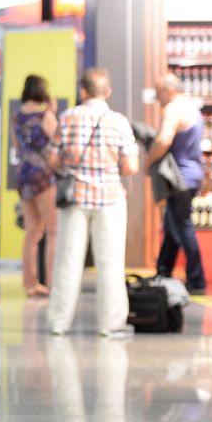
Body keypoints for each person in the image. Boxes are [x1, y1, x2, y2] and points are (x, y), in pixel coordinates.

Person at [46, 69, 140, 337]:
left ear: (82, 92)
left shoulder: (68, 118)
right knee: (110, 262)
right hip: (110, 198)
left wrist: (70, 166)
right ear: (107, 92)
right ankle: (110, 324)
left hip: (75, 196)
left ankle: (59, 322)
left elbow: (52, 159)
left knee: (68, 260)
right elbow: (131, 166)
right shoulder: (119, 122)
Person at [148, 73, 207, 295]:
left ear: (169, 90)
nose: (157, 97)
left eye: (158, 92)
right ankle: (163, 269)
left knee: (181, 225)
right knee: (172, 223)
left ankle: (197, 278)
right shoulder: (191, 107)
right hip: (192, 174)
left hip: (179, 177)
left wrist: (148, 162)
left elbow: (163, 140)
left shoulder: (173, 109)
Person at [16, 75, 59, 296]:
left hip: (23, 176)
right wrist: (52, 110)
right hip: (43, 176)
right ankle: (52, 284)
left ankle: (30, 283)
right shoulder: (45, 117)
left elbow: (17, 148)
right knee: (53, 231)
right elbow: (57, 141)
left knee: (32, 232)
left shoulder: (18, 118)